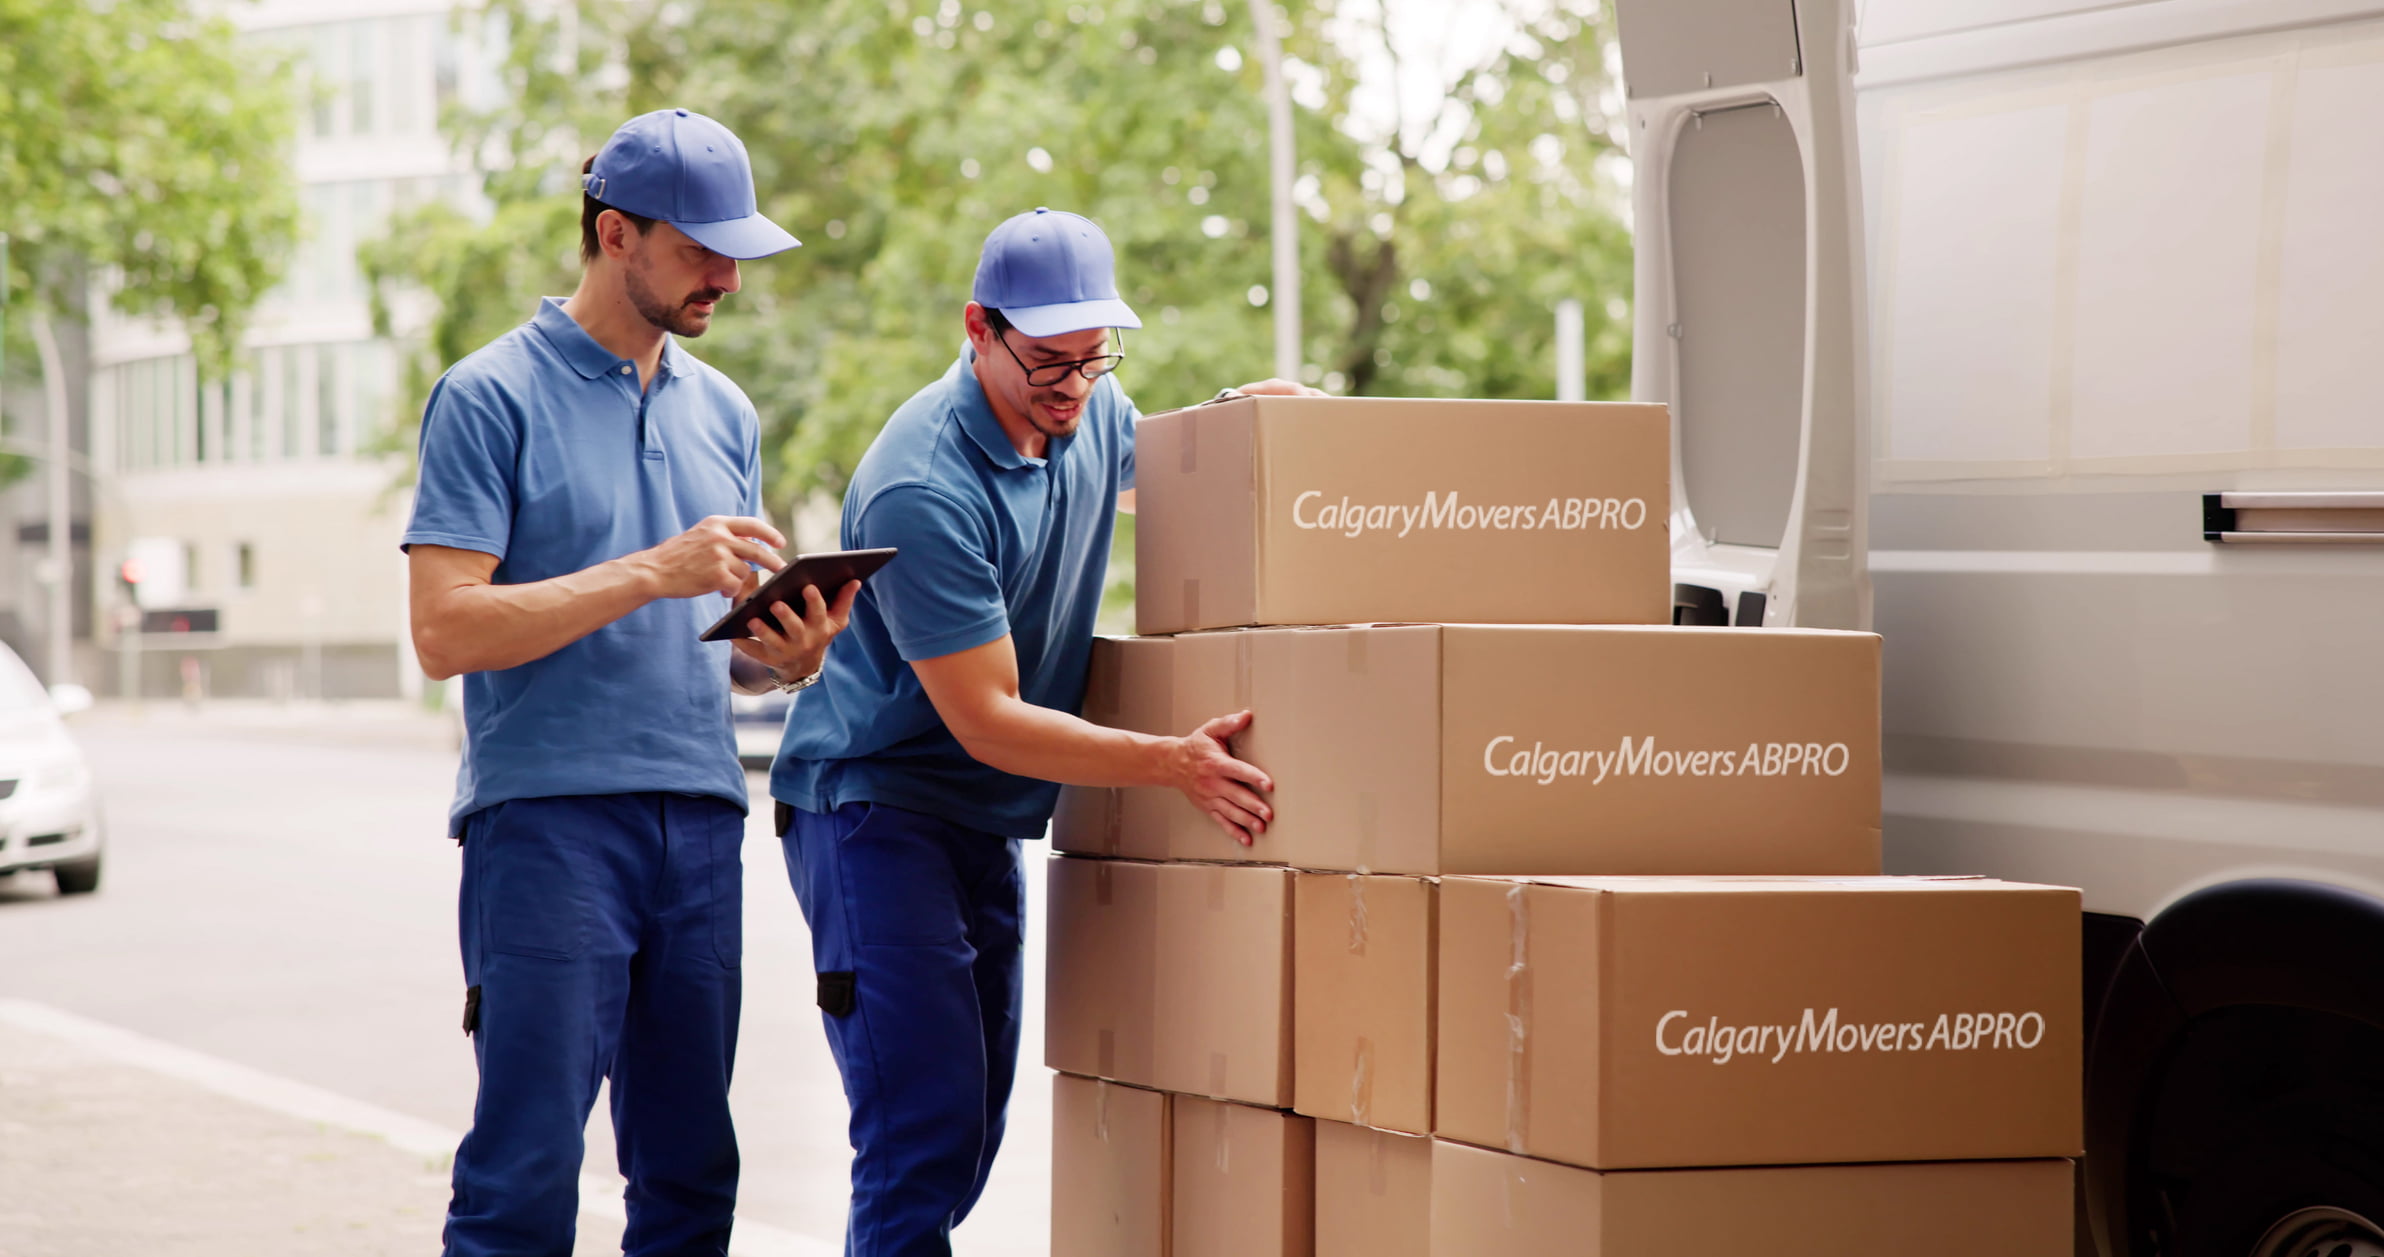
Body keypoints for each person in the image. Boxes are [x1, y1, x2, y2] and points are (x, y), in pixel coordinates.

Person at [769, 207, 1318, 1255]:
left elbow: (1164, 465)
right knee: (918, 1131)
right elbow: (986, 719)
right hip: (875, 811)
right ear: (978, 329)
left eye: (1093, 357)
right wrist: (1173, 762)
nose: (1073, 387)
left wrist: (1250, 415)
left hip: (984, 816)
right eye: (1048, 363)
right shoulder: (923, 485)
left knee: (970, 1130)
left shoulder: (1088, 407)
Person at [404, 108, 851, 1257]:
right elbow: (444, 630)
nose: (728, 280)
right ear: (615, 235)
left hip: (698, 822)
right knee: (523, 1177)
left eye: (735, 254)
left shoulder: (726, 411)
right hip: (547, 829)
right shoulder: (486, 395)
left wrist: (786, 654)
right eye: (702, 252)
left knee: (693, 1180)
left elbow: (720, 638)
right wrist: (652, 570)